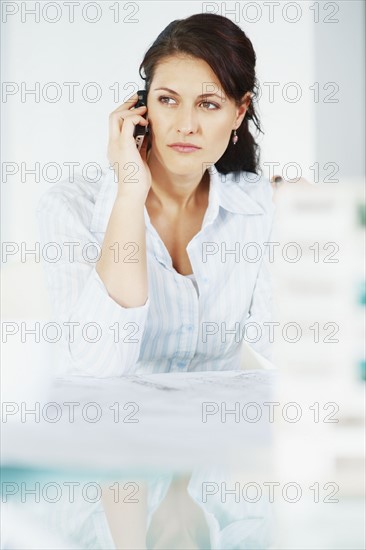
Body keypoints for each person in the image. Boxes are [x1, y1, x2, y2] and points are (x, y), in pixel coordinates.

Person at [36, 12, 276, 549]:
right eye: (167, 100)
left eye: (209, 104)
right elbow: (100, 367)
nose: (185, 125)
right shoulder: (72, 209)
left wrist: (304, 237)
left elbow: (288, 352)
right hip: (101, 472)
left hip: (219, 465)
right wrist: (127, 191)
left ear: (240, 112)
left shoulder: (260, 208)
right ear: (140, 108)